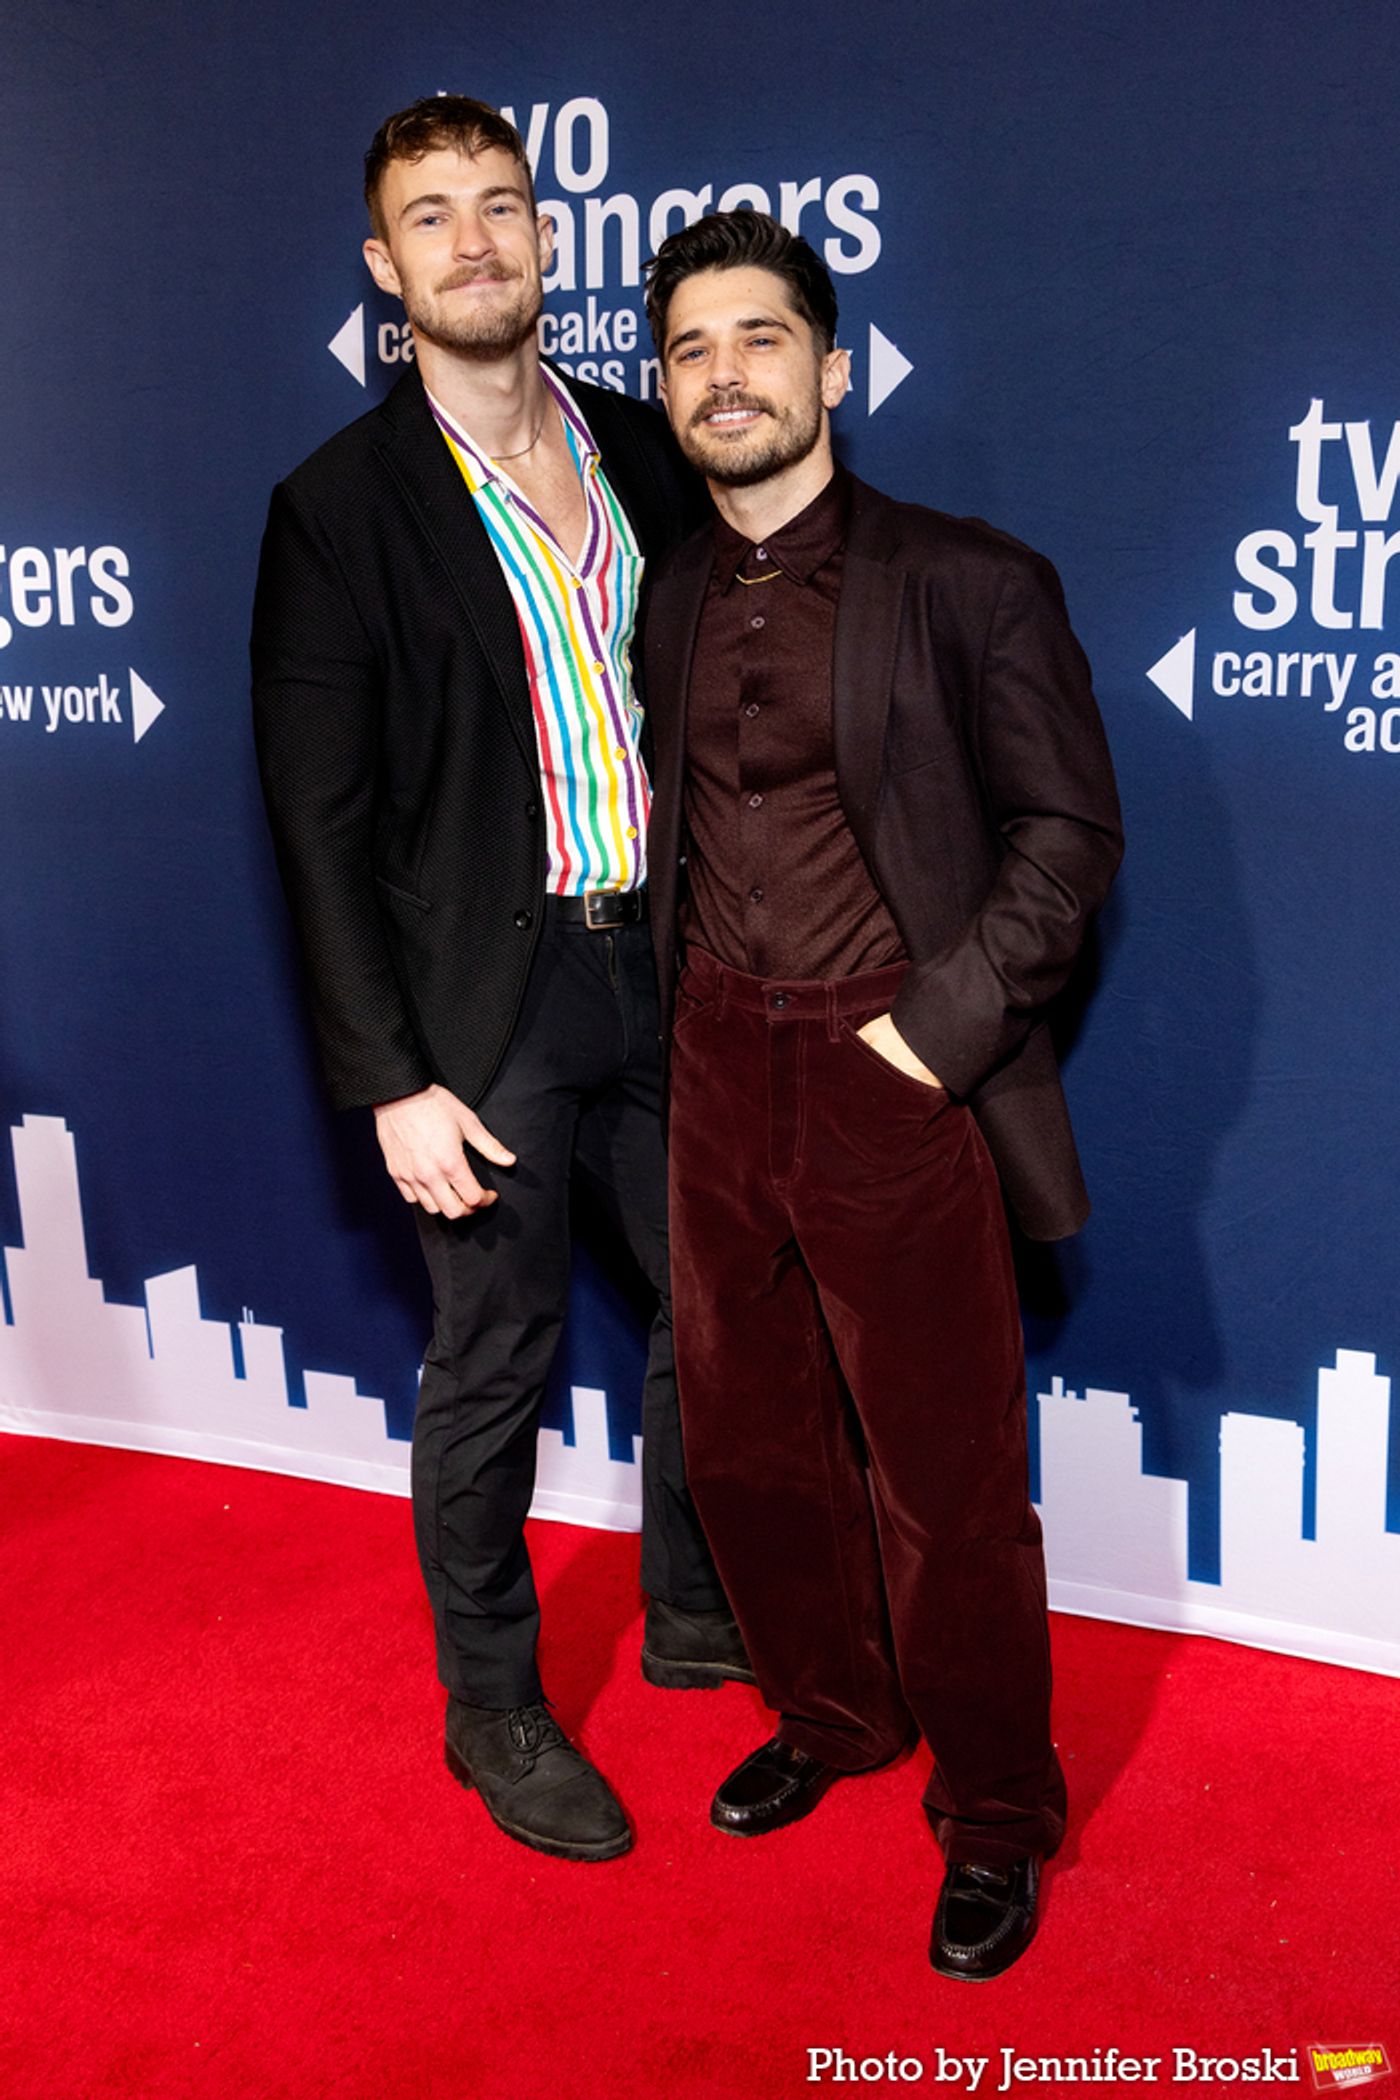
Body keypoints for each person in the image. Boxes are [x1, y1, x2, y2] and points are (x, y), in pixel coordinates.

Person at [250, 98, 749, 1868]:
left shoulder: (640, 447)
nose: (474, 241)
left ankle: (696, 1607)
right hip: (489, 1007)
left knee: (718, 1304)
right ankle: (495, 1709)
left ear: (545, 237)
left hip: (665, 965)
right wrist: (393, 1078)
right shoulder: (337, 508)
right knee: (493, 1362)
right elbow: (316, 825)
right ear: (385, 270)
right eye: (431, 217)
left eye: (500, 206)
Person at [641, 210, 1123, 1975]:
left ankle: (996, 1812)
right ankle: (836, 1714)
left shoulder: (968, 580)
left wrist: (929, 1038)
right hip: (713, 1061)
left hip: (891, 1068)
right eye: (690, 350)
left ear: (834, 369)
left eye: (760, 338)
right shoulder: (668, 593)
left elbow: (1068, 836)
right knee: (749, 1446)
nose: (726, 377)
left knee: (944, 1479)